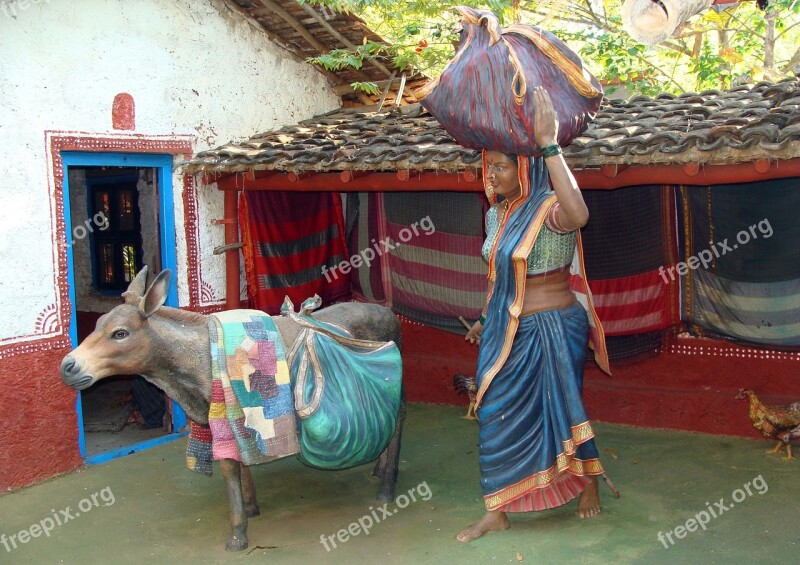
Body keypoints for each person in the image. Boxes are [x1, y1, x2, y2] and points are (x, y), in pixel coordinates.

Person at [457, 86, 610, 543]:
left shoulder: (550, 209)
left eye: (500, 167)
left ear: (524, 168)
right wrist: (487, 319)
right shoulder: (496, 216)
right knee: (493, 413)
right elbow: (499, 278)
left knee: (562, 409)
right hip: (507, 331)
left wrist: (549, 145)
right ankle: (497, 509)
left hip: (551, 327)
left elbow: (580, 213)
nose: (491, 177)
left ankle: (588, 483)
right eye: (488, 169)